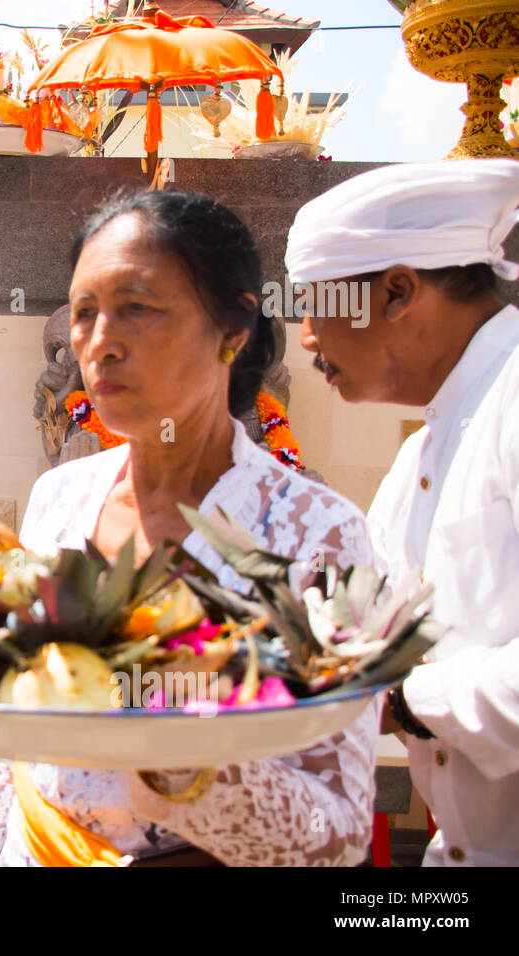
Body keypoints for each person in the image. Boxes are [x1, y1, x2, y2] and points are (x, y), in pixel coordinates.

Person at [0, 190, 378, 867]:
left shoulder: (315, 536)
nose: (100, 343)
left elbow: (339, 830)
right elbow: (12, 734)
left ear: (233, 330)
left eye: (138, 307)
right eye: (84, 313)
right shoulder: (60, 497)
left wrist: (184, 766)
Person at [286, 158, 519, 867]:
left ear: (394, 293)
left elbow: (391, 685)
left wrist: (409, 700)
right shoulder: (418, 459)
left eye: (313, 304)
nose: (307, 340)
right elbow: (362, 637)